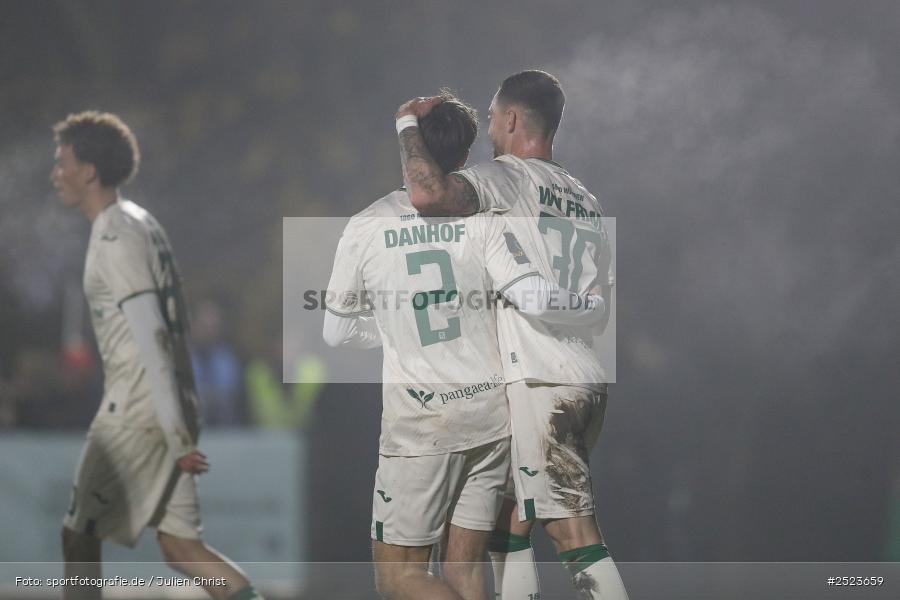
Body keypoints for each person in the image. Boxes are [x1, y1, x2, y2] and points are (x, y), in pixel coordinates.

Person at [323, 94, 606, 600]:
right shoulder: (486, 218)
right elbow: (526, 293)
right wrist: (588, 306)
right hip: (492, 415)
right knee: (466, 568)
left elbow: (336, 332)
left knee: (400, 577)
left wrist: (389, 330)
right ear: (461, 156)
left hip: (421, 423)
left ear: (412, 151)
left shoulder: (367, 225)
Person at [395, 71, 628, 600]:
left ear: (513, 119)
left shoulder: (507, 179)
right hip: (585, 376)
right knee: (508, 523)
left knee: (574, 533)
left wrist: (408, 124)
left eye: (495, 117)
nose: (492, 130)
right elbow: (602, 306)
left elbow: (427, 194)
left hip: (542, 383)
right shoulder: (586, 199)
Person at [52, 111, 263, 600]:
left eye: (61, 162)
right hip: (171, 401)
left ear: (88, 171)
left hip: (139, 407)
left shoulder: (115, 236)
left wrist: (173, 431)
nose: (55, 173)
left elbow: (152, 335)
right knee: (182, 547)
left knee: (78, 536)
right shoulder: (140, 222)